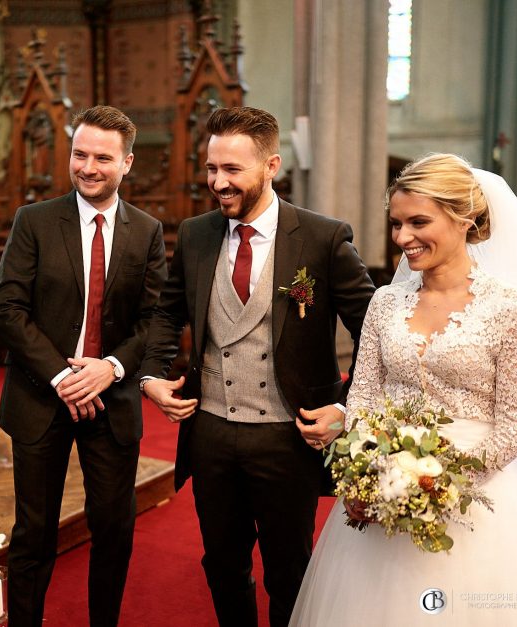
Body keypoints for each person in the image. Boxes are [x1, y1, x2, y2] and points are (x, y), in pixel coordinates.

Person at [289, 153, 517, 626]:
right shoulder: (385, 303)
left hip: (475, 502)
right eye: (397, 224)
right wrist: (365, 472)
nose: (403, 238)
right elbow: (364, 395)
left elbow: (516, 428)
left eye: (418, 222)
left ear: (464, 219)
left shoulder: (513, 310)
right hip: (381, 492)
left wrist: (436, 485)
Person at [139, 106, 375, 627]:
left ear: (271, 166)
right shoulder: (197, 234)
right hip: (211, 433)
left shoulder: (322, 238)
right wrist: (152, 374)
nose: (217, 183)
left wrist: (345, 405)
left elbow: (374, 332)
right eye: (210, 169)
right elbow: (167, 311)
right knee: (222, 565)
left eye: (232, 171)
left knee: (289, 571)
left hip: (289, 435)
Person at [0, 105, 167, 627]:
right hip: (40, 397)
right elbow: (6, 309)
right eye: (79, 154)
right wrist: (66, 376)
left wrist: (109, 369)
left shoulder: (147, 231)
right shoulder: (35, 221)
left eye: (103, 158)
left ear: (127, 163)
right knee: (34, 533)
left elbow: (154, 319)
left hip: (111, 401)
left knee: (113, 530)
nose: (88, 167)